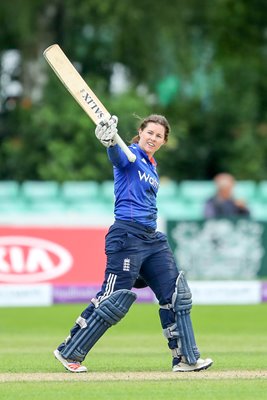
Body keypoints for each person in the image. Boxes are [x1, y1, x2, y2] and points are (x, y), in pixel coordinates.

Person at [53, 114, 213, 373]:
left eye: (159, 136)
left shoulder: (152, 165)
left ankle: (185, 358)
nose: (153, 138)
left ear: (163, 142)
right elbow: (116, 156)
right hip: (127, 236)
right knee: (113, 300)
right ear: (140, 132)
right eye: (149, 132)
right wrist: (110, 141)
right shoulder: (129, 155)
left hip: (152, 239)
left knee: (177, 296)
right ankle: (69, 351)